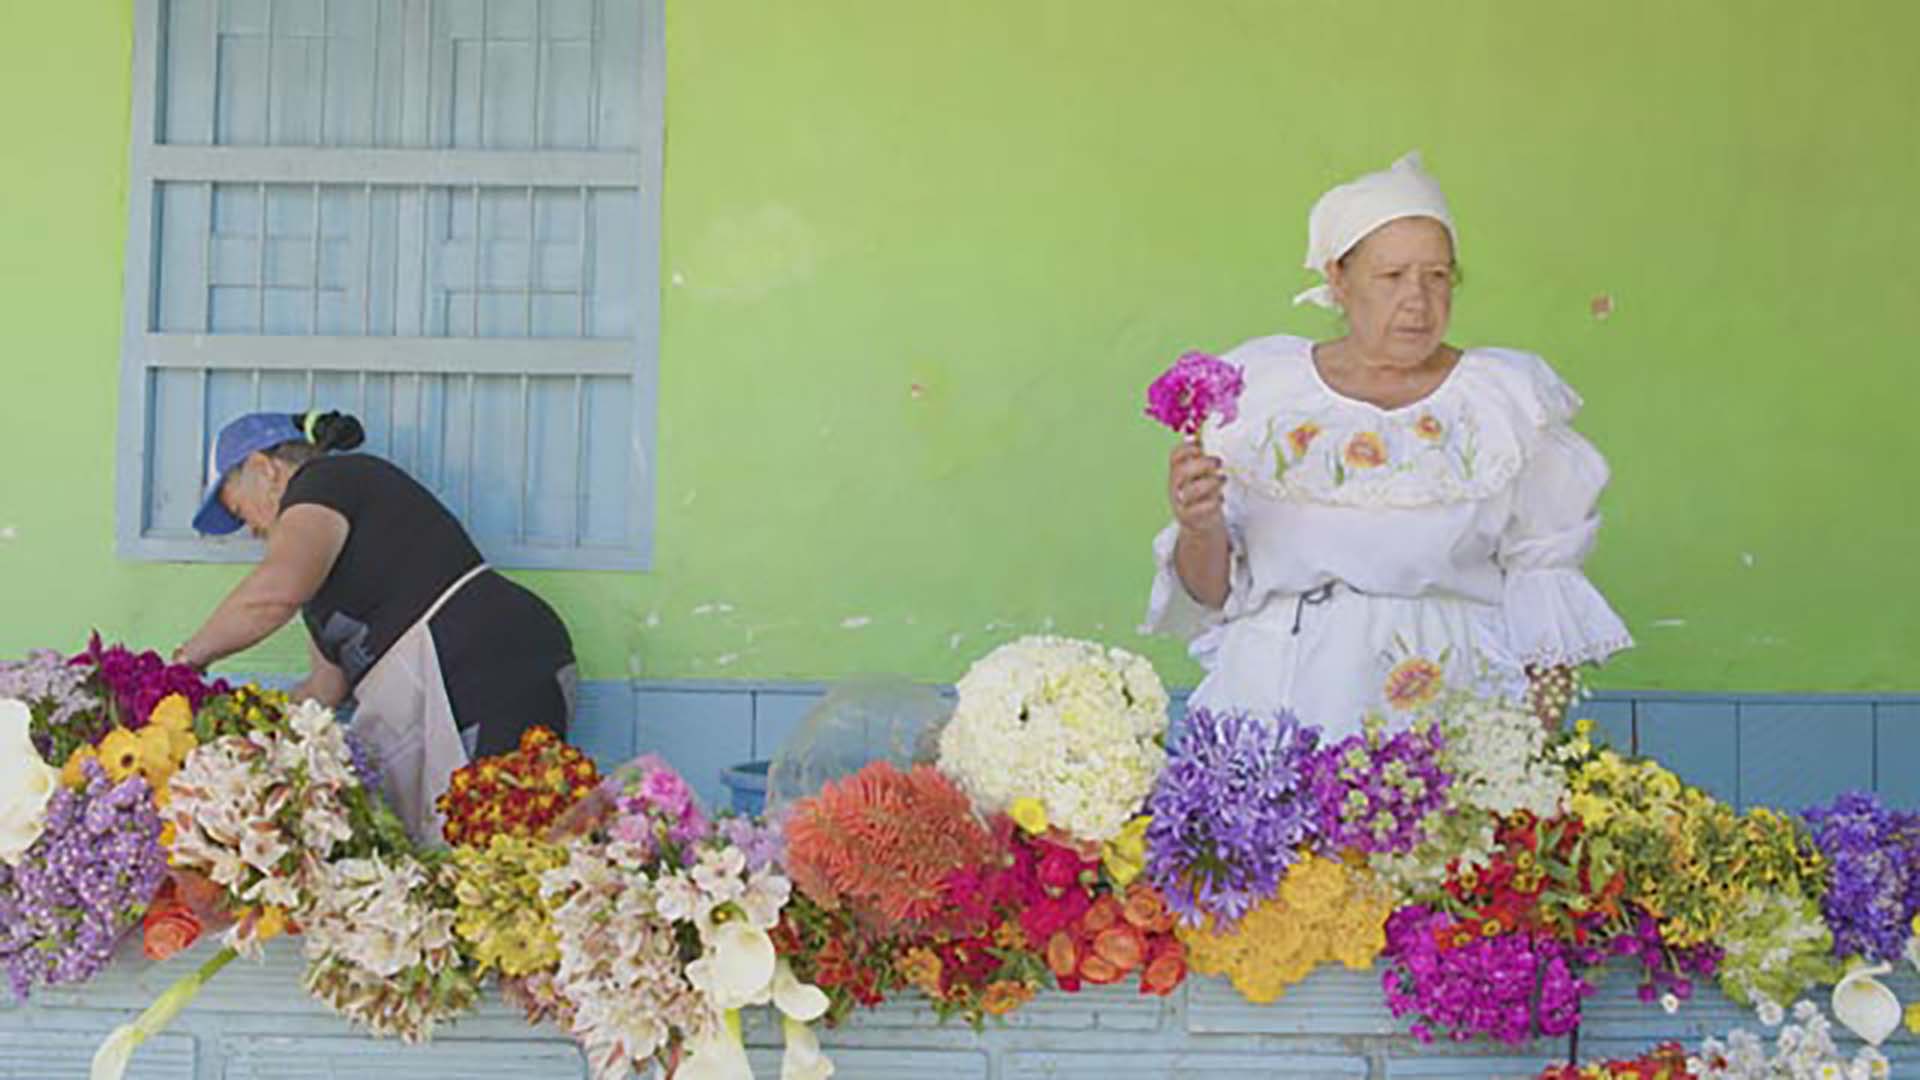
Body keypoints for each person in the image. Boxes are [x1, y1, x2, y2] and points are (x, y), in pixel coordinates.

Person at [1144, 152, 1632, 740]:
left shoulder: (1505, 402)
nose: (1418, 301)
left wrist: (1530, 758)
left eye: (1437, 276)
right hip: (1277, 697)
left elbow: (1545, 585)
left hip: (1452, 706)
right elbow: (1211, 592)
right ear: (1338, 280)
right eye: (1392, 276)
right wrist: (1198, 527)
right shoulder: (1262, 393)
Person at [174, 410, 577, 842]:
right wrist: (239, 735)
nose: (251, 531)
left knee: (502, 849)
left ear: (264, 469)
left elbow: (274, 594)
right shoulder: (324, 574)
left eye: (240, 509)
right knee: (482, 860)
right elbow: (325, 690)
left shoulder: (323, 482)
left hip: (491, 667)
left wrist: (186, 662)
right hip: (488, 668)